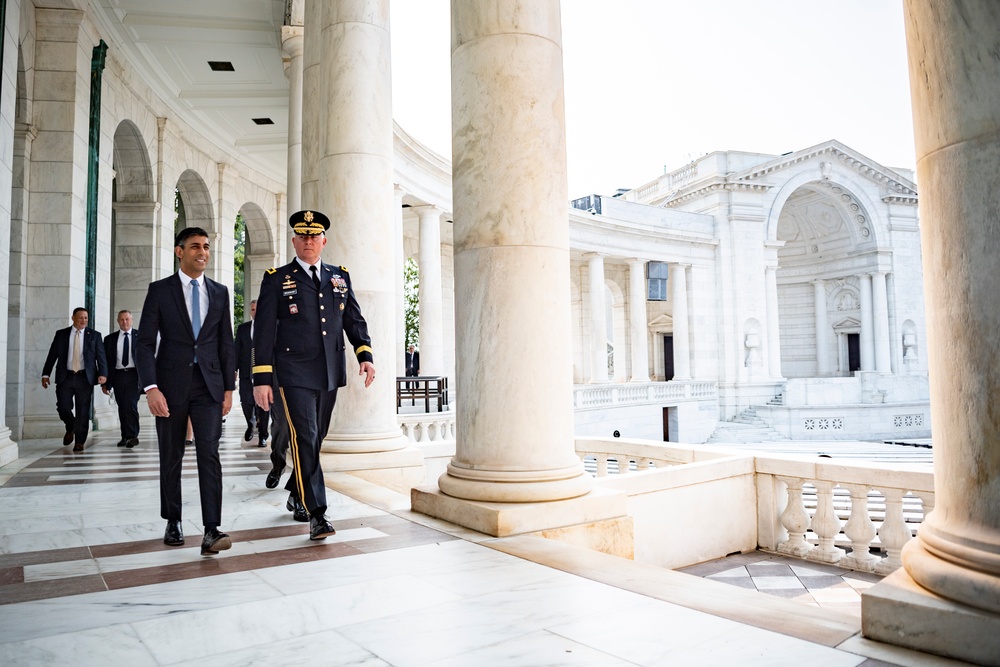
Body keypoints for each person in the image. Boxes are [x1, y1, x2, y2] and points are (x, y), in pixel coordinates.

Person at [253, 209, 375, 540]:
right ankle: (317, 514)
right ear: (294, 241)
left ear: (323, 240)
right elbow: (262, 332)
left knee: (316, 436)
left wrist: (364, 354)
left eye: (314, 236)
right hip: (292, 372)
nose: (308, 241)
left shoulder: (339, 277)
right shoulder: (277, 278)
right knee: (304, 436)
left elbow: (353, 319)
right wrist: (262, 378)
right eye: (302, 236)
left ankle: (297, 488)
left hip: (330, 371)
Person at [136, 227, 236, 556]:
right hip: (169, 385)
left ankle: (211, 528)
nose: (202, 252)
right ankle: (173, 519)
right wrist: (150, 388)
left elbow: (226, 343)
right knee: (172, 454)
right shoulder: (160, 291)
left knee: (209, 453)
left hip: (208, 386)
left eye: (206, 247)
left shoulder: (220, 293)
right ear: (180, 251)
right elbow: (145, 343)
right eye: (195, 246)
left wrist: (228, 388)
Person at [41, 307, 108, 452]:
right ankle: (71, 426)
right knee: (63, 407)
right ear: (73, 318)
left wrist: (103, 374)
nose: (84, 320)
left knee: (83, 410)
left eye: (86, 318)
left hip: (85, 378)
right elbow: (52, 355)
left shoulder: (95, 335)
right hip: (65, 377)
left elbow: (101, 356)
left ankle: (79, 442)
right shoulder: (62, 334)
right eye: (81, 317)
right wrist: (46, 374)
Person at [102, 310, 141, 448]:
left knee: (130, 404)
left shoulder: (140, 336)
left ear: (132, 320)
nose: (125, 322)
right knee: (122, 406)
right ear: (118, 321)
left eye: (127, 319)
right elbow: (105, 361)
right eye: (122, 320)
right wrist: (105, 383)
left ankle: (132, 436)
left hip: (134, 375)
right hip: (118, 375)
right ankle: (125, 436)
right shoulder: (109, 339)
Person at [234, 299, 269, 448]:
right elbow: (236, 351)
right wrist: (233, 370)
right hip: (246, 373)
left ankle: (263, 435)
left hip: (263, 373)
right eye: (253, 309)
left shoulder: (269, 328)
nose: (255, 312)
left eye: (258, 309)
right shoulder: (243, 329)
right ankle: (251, 423)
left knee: (264, 405)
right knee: (246, 401)